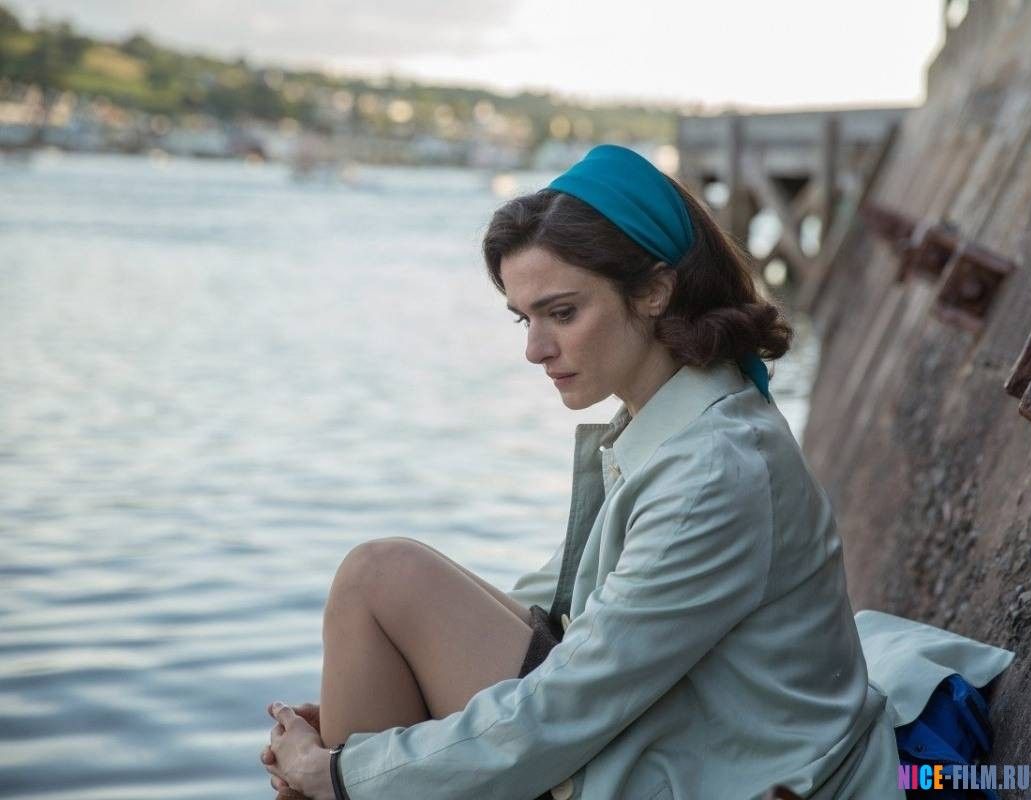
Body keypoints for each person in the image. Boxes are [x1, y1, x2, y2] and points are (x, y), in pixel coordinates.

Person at [259, 144, 907, 799]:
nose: (535, 349)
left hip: (721, 773)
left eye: (562, 313)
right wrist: (372, 732)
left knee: (378, 576)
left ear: (654, 291)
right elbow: (567, 610)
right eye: (525, 318)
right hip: (679, 726)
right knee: (382, 582)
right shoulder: (674, 421)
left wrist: (337, 770)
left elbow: (564, 706)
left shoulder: (712, 470)